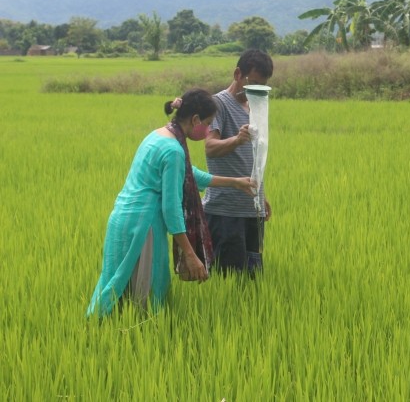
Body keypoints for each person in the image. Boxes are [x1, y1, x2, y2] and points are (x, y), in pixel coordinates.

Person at [87, 89, 255, 317]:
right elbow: (171, 208)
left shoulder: (159, 135)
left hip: (123, 219)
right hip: (143, 226)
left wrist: (235, 182)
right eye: (206, 124)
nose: (207, 131)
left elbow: (189, 173)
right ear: (195, 120)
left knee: (116, 286)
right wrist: (190, 254)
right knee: (144, 297)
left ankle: (104, 332)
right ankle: (138, 342)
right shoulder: (173, 150)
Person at [204, 49, 274, 275]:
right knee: (227, 280)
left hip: (251, 209)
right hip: (226, 211)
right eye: (251, 83)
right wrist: (236, 139)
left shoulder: (255, 107)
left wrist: (262, 194)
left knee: (251, 281)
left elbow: (253, 157)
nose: (254, 91)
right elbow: (210, 147)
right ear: (237, 74)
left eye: (260, 86)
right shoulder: (218, 104)